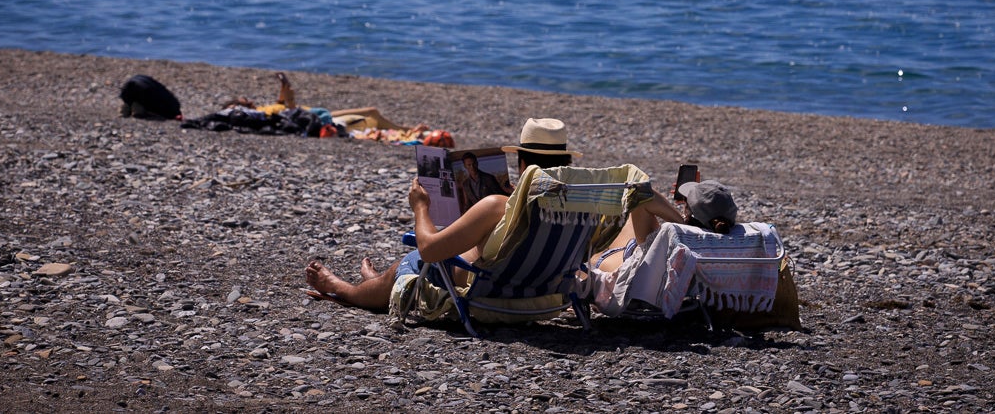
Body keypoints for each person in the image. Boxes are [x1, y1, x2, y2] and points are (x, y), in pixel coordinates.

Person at [304, 118, 581, 310]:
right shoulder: (580, 203)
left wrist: (421, 207)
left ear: (522, 163)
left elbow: (429, 251)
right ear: (566, 161)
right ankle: (375, 283)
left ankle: (345, 289)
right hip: (542, 294)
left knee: (412, 260)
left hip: (489, 292)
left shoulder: (497, 205)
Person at [589, 179, 737, 277]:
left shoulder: (673, 237)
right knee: (626, 218)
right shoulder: (736, 239)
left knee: (591, 254)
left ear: (689, 213)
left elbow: (641, 192)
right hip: (638, 254)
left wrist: (682, 222)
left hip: (623, 267)